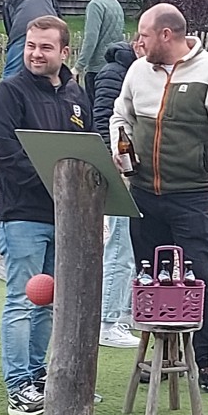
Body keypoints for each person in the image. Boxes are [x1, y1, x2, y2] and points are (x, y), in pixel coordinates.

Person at [110, 3, 208, 393]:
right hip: (143, 194)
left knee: (199, 277)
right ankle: (165, 356)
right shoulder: (138, 71)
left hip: (194, 196)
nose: (138, 42)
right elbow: (121, 116)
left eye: (144, 35)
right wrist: (120, 145)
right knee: (151, 278)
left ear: (166, 35)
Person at [0, 15, 93, 415]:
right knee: (21, 299)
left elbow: (87, 149)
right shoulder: (10, 92)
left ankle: (39, 376)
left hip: (66, 218)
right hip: (22, 215)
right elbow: (4, 151)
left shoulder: (76, 95)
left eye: (45, 47)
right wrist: (55, 181)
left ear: (64, 51)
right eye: (31, 45)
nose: (35, 53)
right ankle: (18, 388)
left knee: (49, 301)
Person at [93, 39, 144, 348]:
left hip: (137, 173)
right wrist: (115, 165)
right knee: (120, 243)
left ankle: (123, 313)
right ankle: (107, 321)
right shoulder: (115, 73)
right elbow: (104, 120)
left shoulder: (140, 71)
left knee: (132, 244)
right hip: (120, 171)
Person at [73, 0, 125, 110]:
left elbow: (91, 39)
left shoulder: (95, 4)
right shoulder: (115, 3)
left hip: (96, 70)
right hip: (114, 67)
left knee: (94, 112)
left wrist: (78, 67)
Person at [1, 0, 61, 80]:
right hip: (51, 27)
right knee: (50, 66)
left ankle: (7, 88)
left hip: (23, 30)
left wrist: (12, 43)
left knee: (12, 70)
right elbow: (58, 13)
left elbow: (8, 25)